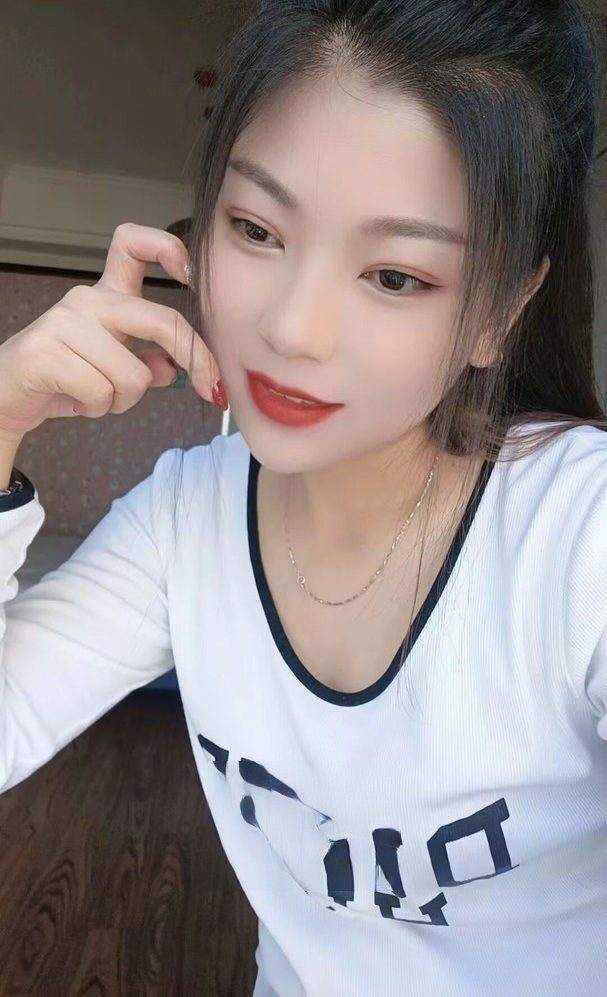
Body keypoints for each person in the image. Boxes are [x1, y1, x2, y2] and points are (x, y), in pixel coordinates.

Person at [1, 0, 607, 993]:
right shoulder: (184, 519)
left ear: (498, 311)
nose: (292, 328)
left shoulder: (578, 534)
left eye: (395, 276)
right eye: (254, 228)